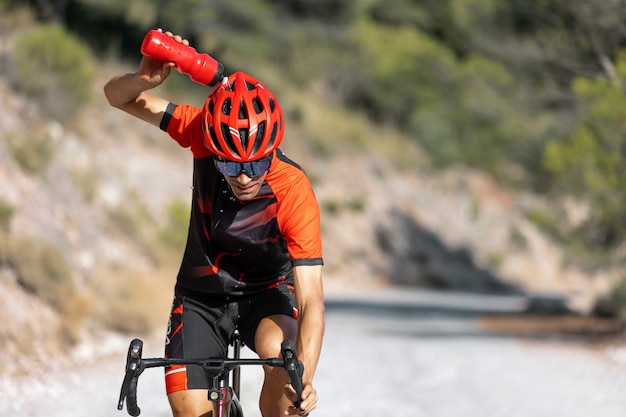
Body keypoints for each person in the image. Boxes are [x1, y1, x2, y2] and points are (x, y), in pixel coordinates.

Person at [104, 30, 325, 417]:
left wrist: (302, 376)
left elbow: (311, 301)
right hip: (200, 295)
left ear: (271, 151)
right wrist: (142, 81)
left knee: (283, 366)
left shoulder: (294, 190)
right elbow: (116, 98)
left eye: (255, 165)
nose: (243, 178)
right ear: (213, 147)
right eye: (229, 165)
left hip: (267, 295)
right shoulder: (199, 132)